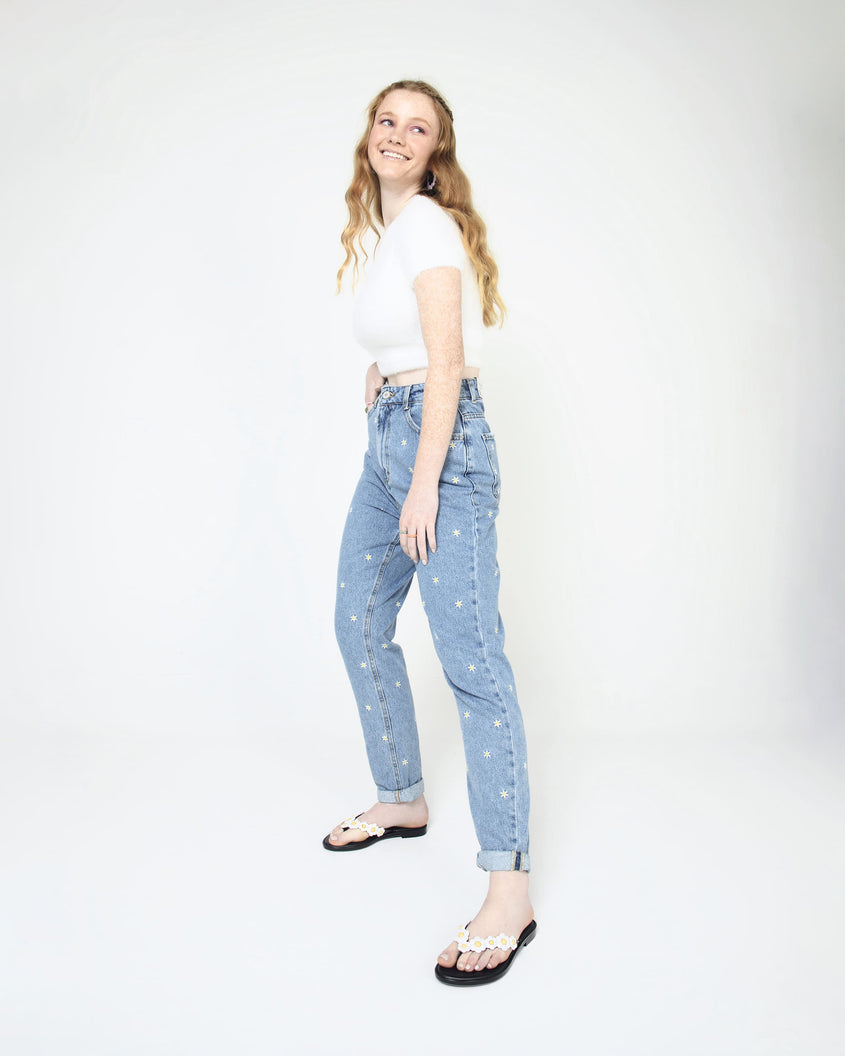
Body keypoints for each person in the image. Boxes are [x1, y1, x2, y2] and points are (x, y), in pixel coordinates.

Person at [323, 79, 536, 985]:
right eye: (387, 120)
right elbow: (414, 349)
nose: (398, 136)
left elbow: (448, 362)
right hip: (399, 434)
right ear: (368, 134)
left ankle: (509, 887)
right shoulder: (388, 229)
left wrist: (421, 481)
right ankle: (403, 797)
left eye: (419, 128)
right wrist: (381, 377)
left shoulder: (425, 227)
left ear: (436, 150)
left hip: (439, 455)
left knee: (472, 663)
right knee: (358, 619)